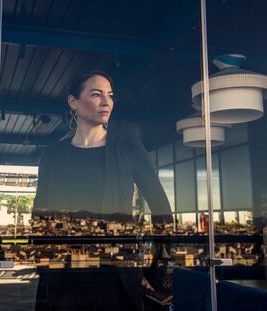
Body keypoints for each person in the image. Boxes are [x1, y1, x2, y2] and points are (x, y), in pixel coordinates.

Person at [33, 70, 173, 310]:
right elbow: (40, 216)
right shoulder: (53, 155)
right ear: (73, 101)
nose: (107, 102)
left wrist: (153, 272)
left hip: (116, 276)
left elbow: (163, 212)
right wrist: (44, 264)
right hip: (65, 276)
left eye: (110, 95)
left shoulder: (128, 147)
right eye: (96, 94)